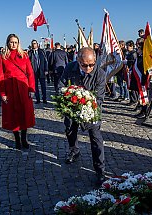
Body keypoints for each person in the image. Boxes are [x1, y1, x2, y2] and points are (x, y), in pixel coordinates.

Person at [59, 47, 106, 184]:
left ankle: (100, 170)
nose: (88, 68)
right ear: (78, 61)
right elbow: (61, 84)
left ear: (95, 61)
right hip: (72, 107)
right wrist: (67, 97)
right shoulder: (69, 67)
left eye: (91, 64)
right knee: (70, 129)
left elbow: (99, 97)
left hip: (91, 110)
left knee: (96, 139)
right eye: (84, 65)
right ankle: (74, 150)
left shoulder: (100, 74)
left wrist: (86, 105)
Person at [0, 33, 35, 149]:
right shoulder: (3, 56)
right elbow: (1, 76)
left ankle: (24, 138)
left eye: (15, 42)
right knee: (13, 115)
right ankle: (17, 139)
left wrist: (32, 89)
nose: (13, 44)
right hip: (10, 89)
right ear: (7, 43)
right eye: (11, 42)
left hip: (23, 88)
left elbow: (30, 73)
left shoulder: (24, 55)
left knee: (25, 114)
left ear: (18, 43)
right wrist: (3, 93)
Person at [28, 40, 48, 104]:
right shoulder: (30, 52)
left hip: (41, 71)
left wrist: (46, 70)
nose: (34, 45)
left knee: (43, 86)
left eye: (35, 43)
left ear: (37, 44)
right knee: (35, 86)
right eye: (32, 44)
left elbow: (46, 61)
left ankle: (44, 99)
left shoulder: (42, 51)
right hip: (34, 72)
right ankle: (38, 99)